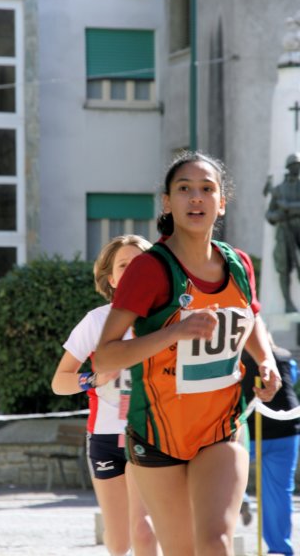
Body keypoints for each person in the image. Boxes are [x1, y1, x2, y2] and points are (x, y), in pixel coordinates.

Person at [95, 151, 282, 556]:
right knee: (181, 550)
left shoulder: (238, 264)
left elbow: (250, 317)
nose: (196, 198)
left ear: (221, 202)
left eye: (206, 189)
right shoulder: (149, 269)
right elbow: (105, 358)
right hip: (157, 435)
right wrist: (175, 332)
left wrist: (265, 359)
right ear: (167, 202)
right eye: (184, 189)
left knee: (215, 543)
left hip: (220, 428)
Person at [51, 235, 159, 556]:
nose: (133, 270)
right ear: (111, 279)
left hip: (151, 433)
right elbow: (60, 381)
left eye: (140, 263)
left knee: (143, 529)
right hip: (105, 436)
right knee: (119, 539)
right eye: (124, 265)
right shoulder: (96, 321)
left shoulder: (167, 320)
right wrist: (95, 379)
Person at [241, 335, 300, 555]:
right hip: (286, 428)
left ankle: (241, 499)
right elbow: (292, 379)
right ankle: (279, 549)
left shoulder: (237, 358)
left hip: (249, 429)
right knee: (279, 491)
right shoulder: (284, 357)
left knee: (224, 477)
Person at [265, 152, 300, 312]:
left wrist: (288, 206)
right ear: (289, 168)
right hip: (285, 229)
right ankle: (287, 303)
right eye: (294, 166)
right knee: (284, 266)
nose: (296, 169)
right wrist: (277, 215)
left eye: (298, 166)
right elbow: (269, 213)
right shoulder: (279, 190)